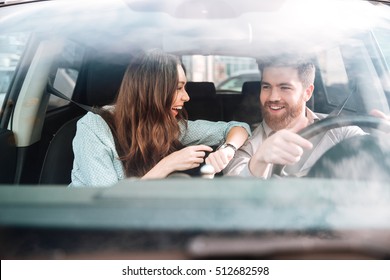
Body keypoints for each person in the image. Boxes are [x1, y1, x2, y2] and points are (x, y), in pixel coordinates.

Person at [70, 49, 251, 187]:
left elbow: (238, 128)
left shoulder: (167, 127)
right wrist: (168, 165)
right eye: (178, 88)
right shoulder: (93, 128)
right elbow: (107, 204)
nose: (187, 97)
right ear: (153, 92)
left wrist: (228, 149)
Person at [224, 57, 366, 178]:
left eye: (285, 87)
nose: (273, 97)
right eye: (266, 87)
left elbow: (377, 157)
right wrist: (259, 160)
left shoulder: (339, 130)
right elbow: (233, 191)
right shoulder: (244, 143)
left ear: (307, 92)